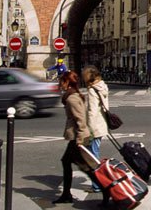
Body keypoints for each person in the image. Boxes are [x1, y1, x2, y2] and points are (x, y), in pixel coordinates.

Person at [53, 71, 93, 205]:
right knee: (80, 165)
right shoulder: (74, 95)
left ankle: (105, 187)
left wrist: (80, 139)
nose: (60, 85)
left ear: (67, 82)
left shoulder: (72, 98)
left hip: (78, 136)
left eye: (61, 82)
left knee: (85, 167)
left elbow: (80, 119)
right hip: (79, 136)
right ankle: (66, 194)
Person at [82, 65, 109, 193]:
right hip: (102, 124)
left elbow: (92, 112)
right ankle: (98, 183)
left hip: (95, 127)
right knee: (94, 154)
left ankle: (98, 184)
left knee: (93, 157)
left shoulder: (93, 90)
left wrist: (90, 131)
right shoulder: (102, 86)